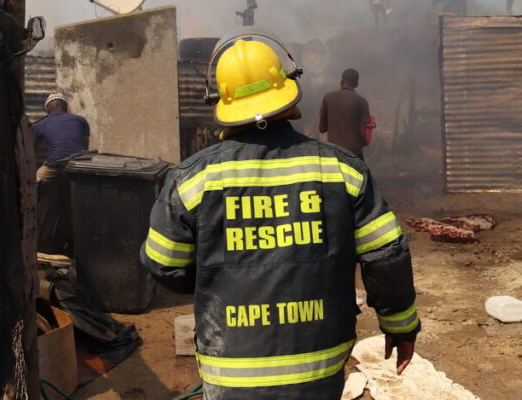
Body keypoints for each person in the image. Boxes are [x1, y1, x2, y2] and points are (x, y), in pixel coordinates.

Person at [141, 35, 419, 400]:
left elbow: (165, 265)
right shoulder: (343, 170)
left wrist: (219, 273)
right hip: (318, 366)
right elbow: (385, 257)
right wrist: (400, 327)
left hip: (231, 371)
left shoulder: (192, 179)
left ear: (220, 100)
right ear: (288, 87)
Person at [33, 93, 90, 253]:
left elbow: (31, 150)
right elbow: (84, 147)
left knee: (31, 192)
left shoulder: (41, 124)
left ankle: (25, 226)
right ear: (67, 108)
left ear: (47, 109)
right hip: (77, 167)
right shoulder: (80, 120)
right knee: (75, 203)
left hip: (54, 166)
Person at [320, 68, 372, 159]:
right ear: (356, 84)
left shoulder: (328, 97)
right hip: (353, 153)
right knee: (362, 173)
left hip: (333, 151)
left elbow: (322, 128)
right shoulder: (361, 101)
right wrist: (364, 143)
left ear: (341, 81)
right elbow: (363, 133)